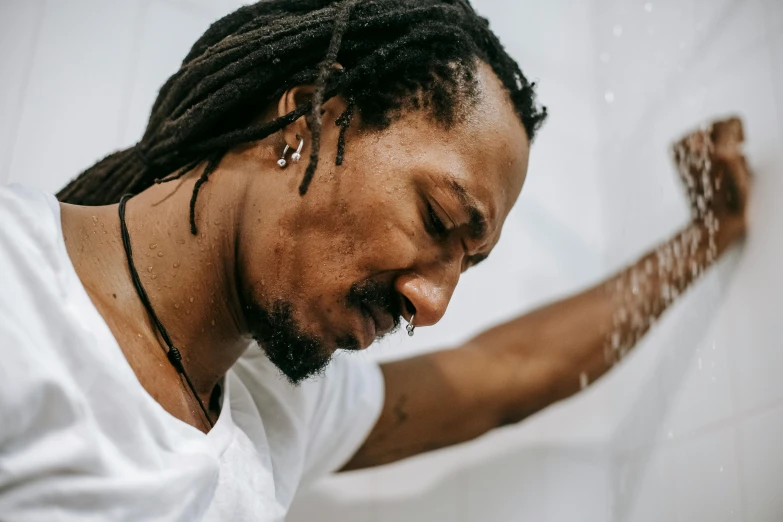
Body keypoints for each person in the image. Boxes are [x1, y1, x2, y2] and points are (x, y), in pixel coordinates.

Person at [0, 0, 750, 520]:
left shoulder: (272, 407)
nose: (434, 305)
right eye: (437, 219)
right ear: (303, 122)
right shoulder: (17, 288)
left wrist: (704, 237)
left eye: (467, 262)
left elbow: (506, 374)